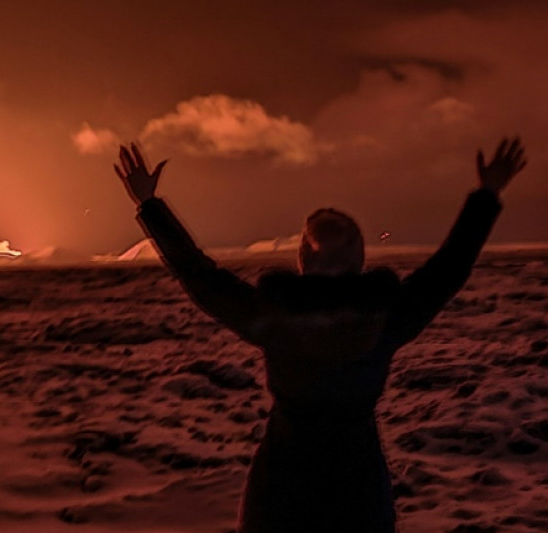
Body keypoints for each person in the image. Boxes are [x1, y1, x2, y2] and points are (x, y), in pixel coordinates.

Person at [113, 139, 527, 533]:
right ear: (359, 257)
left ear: (303, 258)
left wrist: (149, 204)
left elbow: (198, 274)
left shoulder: (274, 315)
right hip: (358, 488)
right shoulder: (384, 316)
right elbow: (449, 268)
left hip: (282, 486)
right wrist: (487, 194)